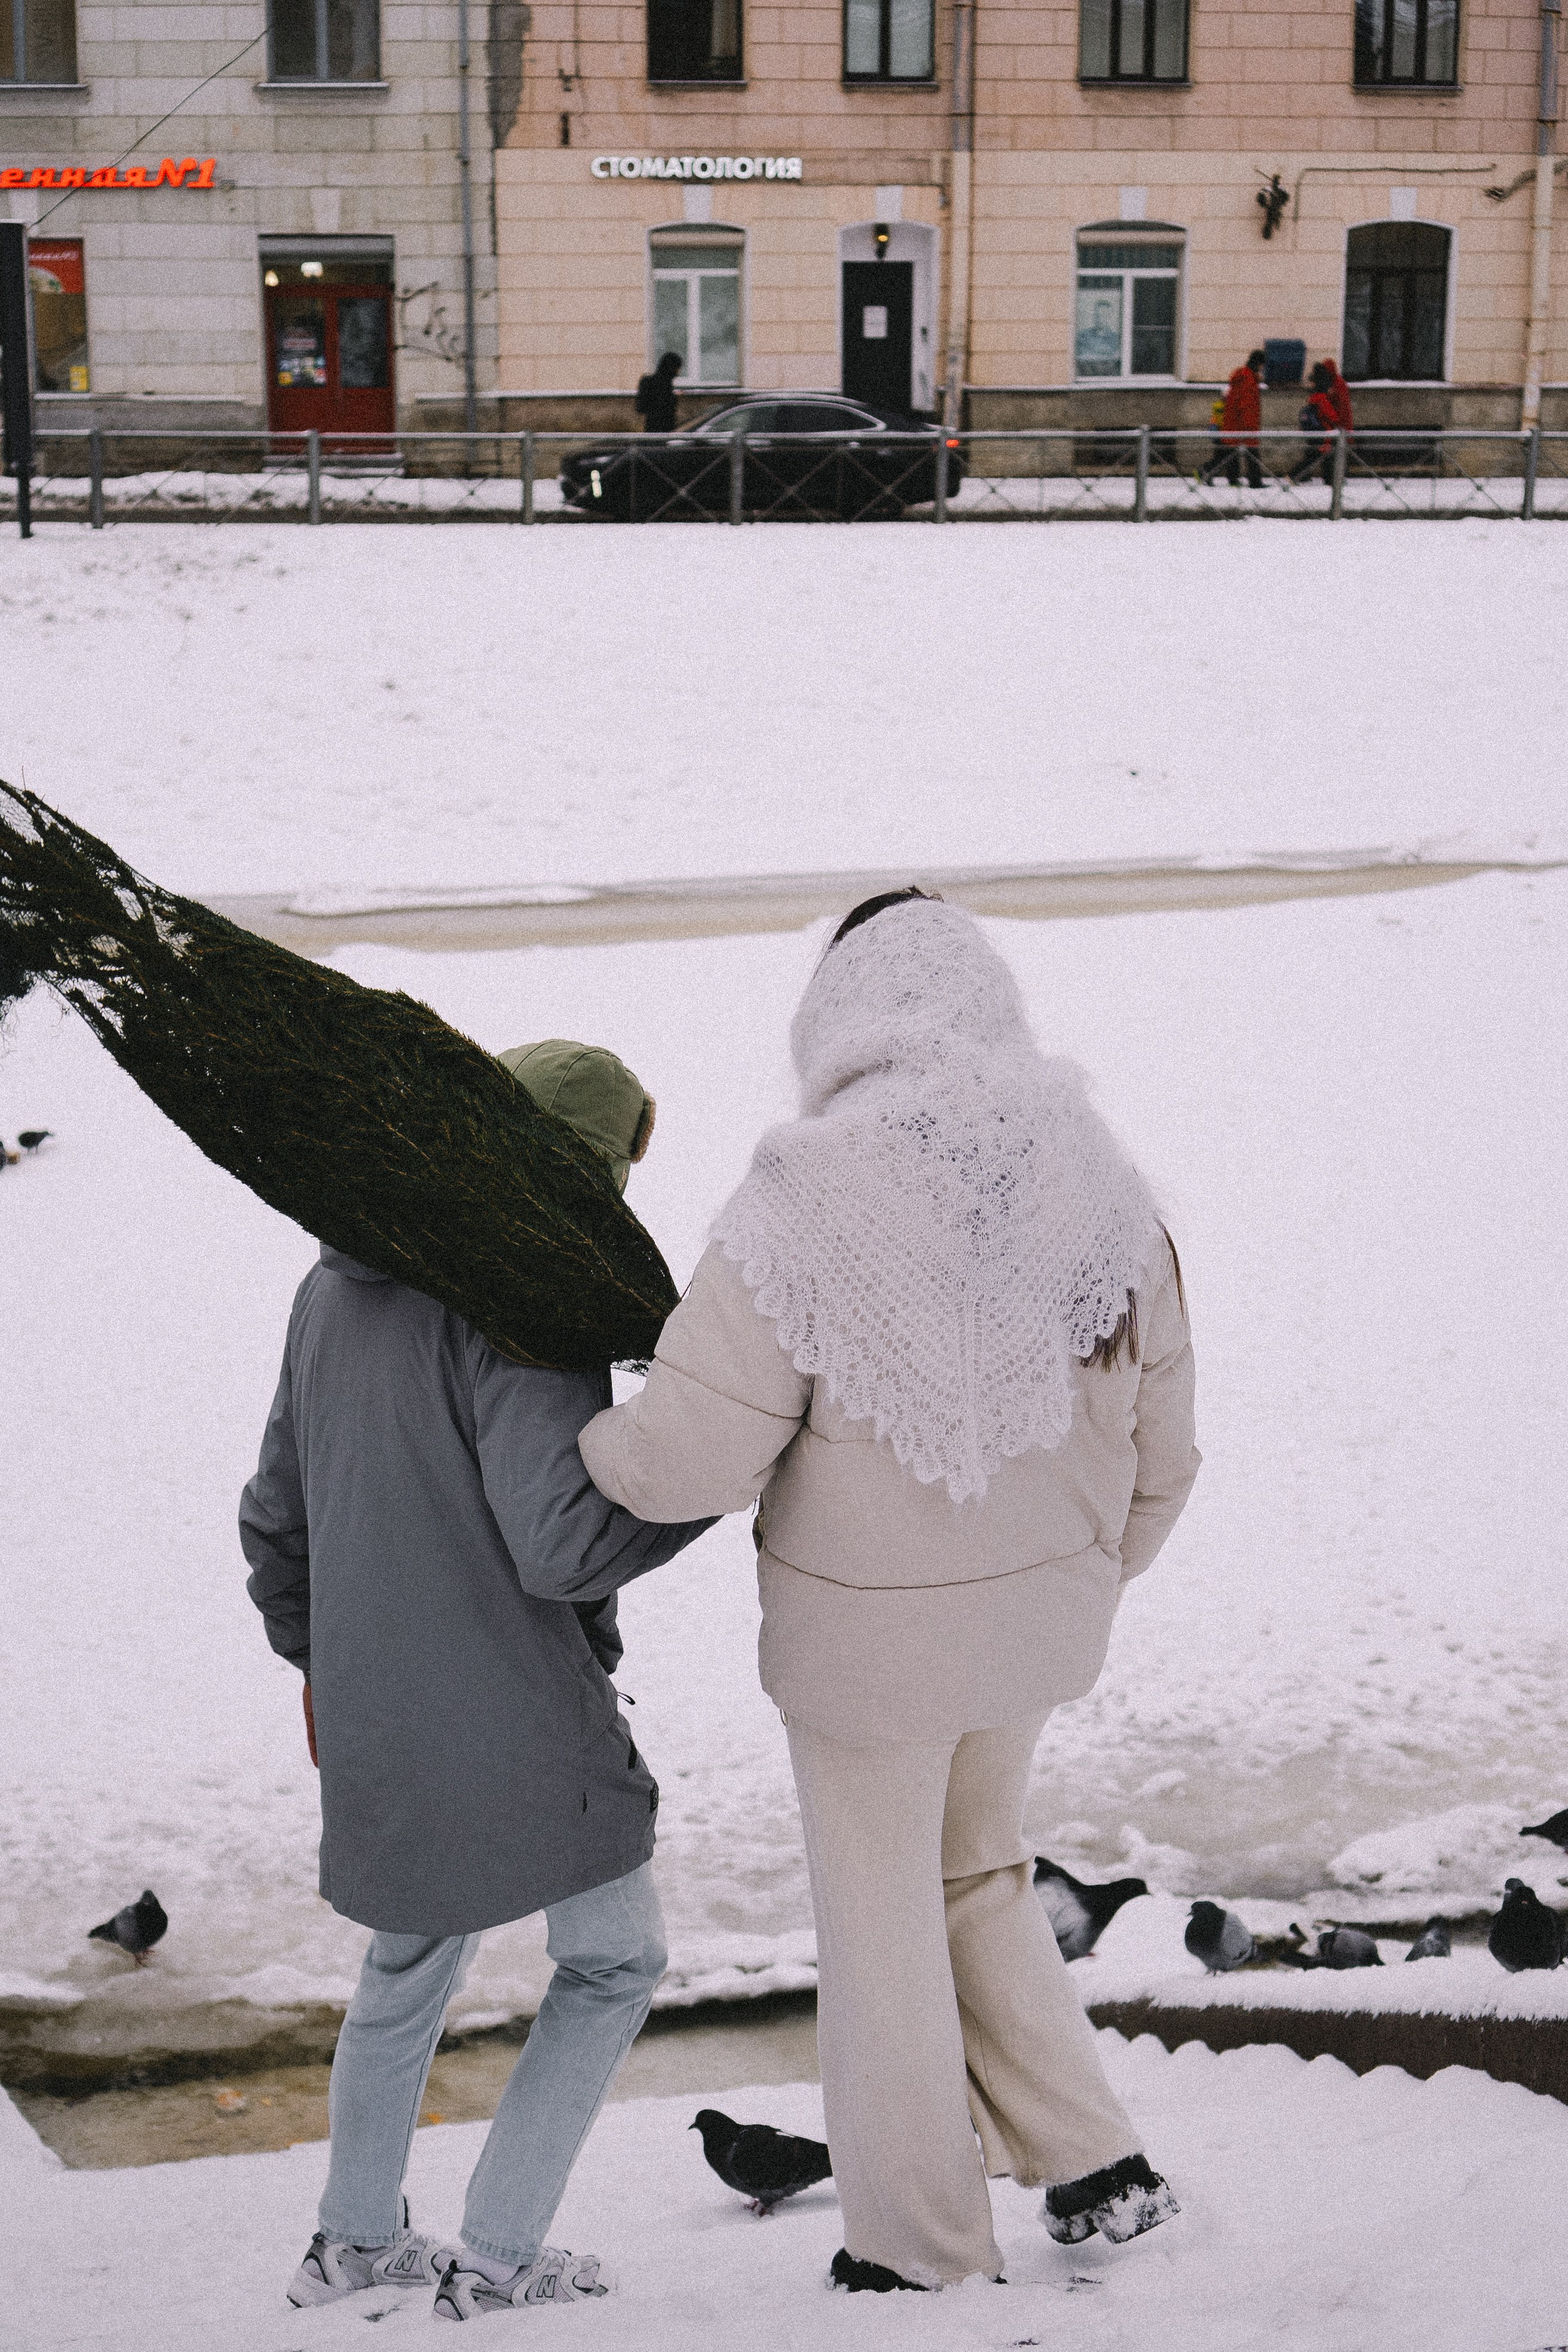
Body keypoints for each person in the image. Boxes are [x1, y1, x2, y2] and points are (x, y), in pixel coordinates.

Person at [579, 891, 1200, 2294]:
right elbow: (1164, 1452)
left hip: (864, 1656)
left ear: (839, 1014)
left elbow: (685, 1458)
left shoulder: (800, 1194)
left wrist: (583, 1446)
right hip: (1034, 1635)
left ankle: (915, 2246)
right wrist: (1075, 1583)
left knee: (879, 1922)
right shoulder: (1102, 1184)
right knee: (974, 1868)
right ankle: (1095, 2159)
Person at [241, 1040, 714, 2323]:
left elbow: (274, 1519)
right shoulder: (524, 1301)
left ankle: (352, 2241)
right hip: (516, 1706)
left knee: (406, 1967)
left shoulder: (329, 1284)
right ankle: (498, 2254)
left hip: (379, 1707)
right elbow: (560, 1544)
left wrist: (323, 1669)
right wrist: (701, 1491)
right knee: (614, 1962)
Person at [1201, 347, 1265, 486]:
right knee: (1249, 453)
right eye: (1262, 367)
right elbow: (1247, 404)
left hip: (1234, 422)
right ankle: (1254, 482)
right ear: (1259, 365)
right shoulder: (1248, 379)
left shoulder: (1244, 376)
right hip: (1242, 424)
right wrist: (1249, 425)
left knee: (1228, 453)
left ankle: (1227, 478)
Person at [1291, 361, 1341, 484]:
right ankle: (1296, 475)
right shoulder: (1323, 399)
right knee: (1321, 457)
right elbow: (1333, 417)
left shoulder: (1313, 398)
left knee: (1313, 456)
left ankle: (1300, 476)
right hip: (1323, 433)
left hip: (1314, 432)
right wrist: (1337, 421)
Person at [634, 350, 682, 434]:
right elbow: (667, 408)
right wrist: (673, 397)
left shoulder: (648, 381)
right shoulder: (666, 385)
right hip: (664, 429)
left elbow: (641, 407)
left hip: (651, 427)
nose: (679, 372)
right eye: (678, 368)